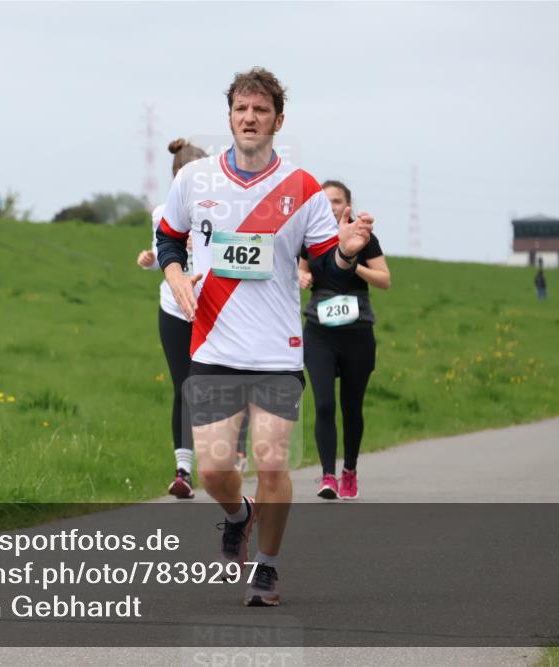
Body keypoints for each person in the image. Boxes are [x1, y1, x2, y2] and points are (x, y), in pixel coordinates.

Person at [156, 67, 373, 606]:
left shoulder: (302, 188)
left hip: (277, 350)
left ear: (279, 118)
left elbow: (326, 263)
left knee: (272, 463)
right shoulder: (194, 180)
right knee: (212, 469)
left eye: (260, 110)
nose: (249, 118)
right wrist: (175, 274)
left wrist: (345, 249)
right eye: (240, 110)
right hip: (212, 345)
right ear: (229, 116)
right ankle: (239, 514)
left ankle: (268, 569)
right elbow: (168, 238)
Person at [297, 180, 390, 500]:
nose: (332, 206)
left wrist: (352, 263)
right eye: (325, 201)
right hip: (319, 331)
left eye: (337, 201)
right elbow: (300, 271)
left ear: (348, 204)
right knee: (323, 404)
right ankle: (327, 476)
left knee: (352, 407)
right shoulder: (309, 238)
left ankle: (349, 469)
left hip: (357, 331)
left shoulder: (364, 238)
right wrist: (303, 276)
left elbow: (385, 279)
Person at [137, 139, 209, 499]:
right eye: (181, 179)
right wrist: (153, 260)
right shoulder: (161, 212)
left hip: (213, 308)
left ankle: (230, 455)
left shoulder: (220, 209)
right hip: (174, 308)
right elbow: (166, 257)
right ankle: (183, 471)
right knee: (184, 386)